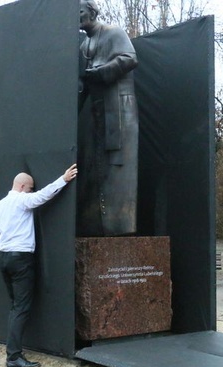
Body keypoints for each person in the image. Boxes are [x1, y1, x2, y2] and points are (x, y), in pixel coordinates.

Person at [0, 164, 78, 367]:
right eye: (30, 188)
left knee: (16, 307)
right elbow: (43, 196)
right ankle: (13, 357)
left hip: (4, 259)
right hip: (21, 260)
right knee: (20, 308)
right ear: (23, 186)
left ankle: (14, 354)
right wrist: (64, 179)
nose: (32, 191)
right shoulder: (21, 200)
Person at [78, 0, 139, 236]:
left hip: (120, 110)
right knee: (96, 169)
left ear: (92, 11)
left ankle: (121, 228)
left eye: (80, 12)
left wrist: (100, 72)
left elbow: (129, 58)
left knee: (118, 168)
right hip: (96, 111)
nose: (78, 17)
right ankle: (100, 227)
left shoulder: (114, 32)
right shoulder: (84, 44)